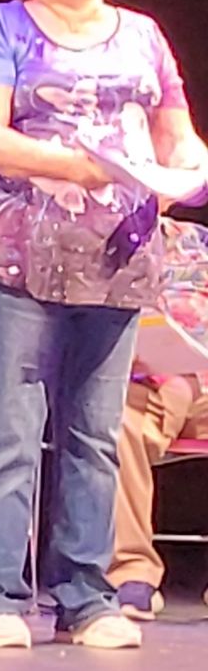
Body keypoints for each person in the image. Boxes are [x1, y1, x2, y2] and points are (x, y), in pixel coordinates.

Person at [0, 0, 205, 651]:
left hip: (118, 260)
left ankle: (87, 598)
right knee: (11, 431)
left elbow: (180, 137)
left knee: (95, 433)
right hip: (22, 255)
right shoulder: (0, 27)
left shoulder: (145, 37)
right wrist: (81, 165)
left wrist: (182, 172)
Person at [110, 218, 208, 618]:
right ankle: (131, 573)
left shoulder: (196, 241)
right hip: (145, 381)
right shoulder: (102, 239)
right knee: (115, 425)